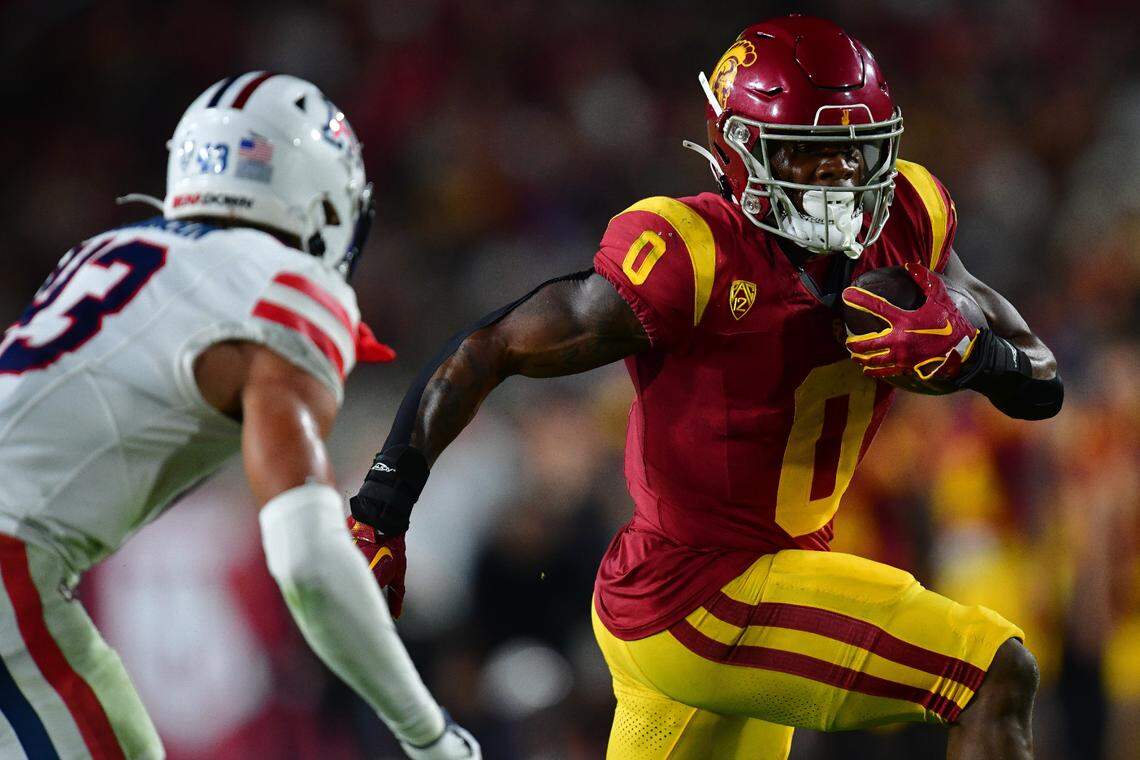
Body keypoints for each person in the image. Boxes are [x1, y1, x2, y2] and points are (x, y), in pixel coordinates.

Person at [349, 15, 1064, 760]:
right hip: (700, 590)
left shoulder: (909, 219)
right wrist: (380, 511)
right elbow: (490, 348)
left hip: (747, 588)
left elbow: (1041, 379)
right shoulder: (693, 256)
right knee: (994, 673)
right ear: (741, 150)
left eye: (853, 150)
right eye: (806, 152)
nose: (837, 175)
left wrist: (977, 357)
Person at [0, 72, 478, 760]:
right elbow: (308, 558)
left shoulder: (105, 252)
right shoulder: (282, 287)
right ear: (322, 198)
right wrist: (429, 735)